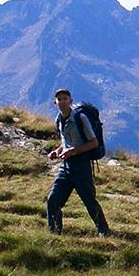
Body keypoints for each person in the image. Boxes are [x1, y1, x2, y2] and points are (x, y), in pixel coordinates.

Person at [46, 88, 110, 236]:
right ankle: (54, 233)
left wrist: (72, 151)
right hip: (66, 166)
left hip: (81, 166)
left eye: (65, 99)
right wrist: (57, 151)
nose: (62, 102)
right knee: (53, 200)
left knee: (89, 201)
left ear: (70, 101)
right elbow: (66, 142)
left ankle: (104, 232)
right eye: (59, 99)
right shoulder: (59, 119)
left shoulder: (81, 118)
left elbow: (93, 143)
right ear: (55, 102)